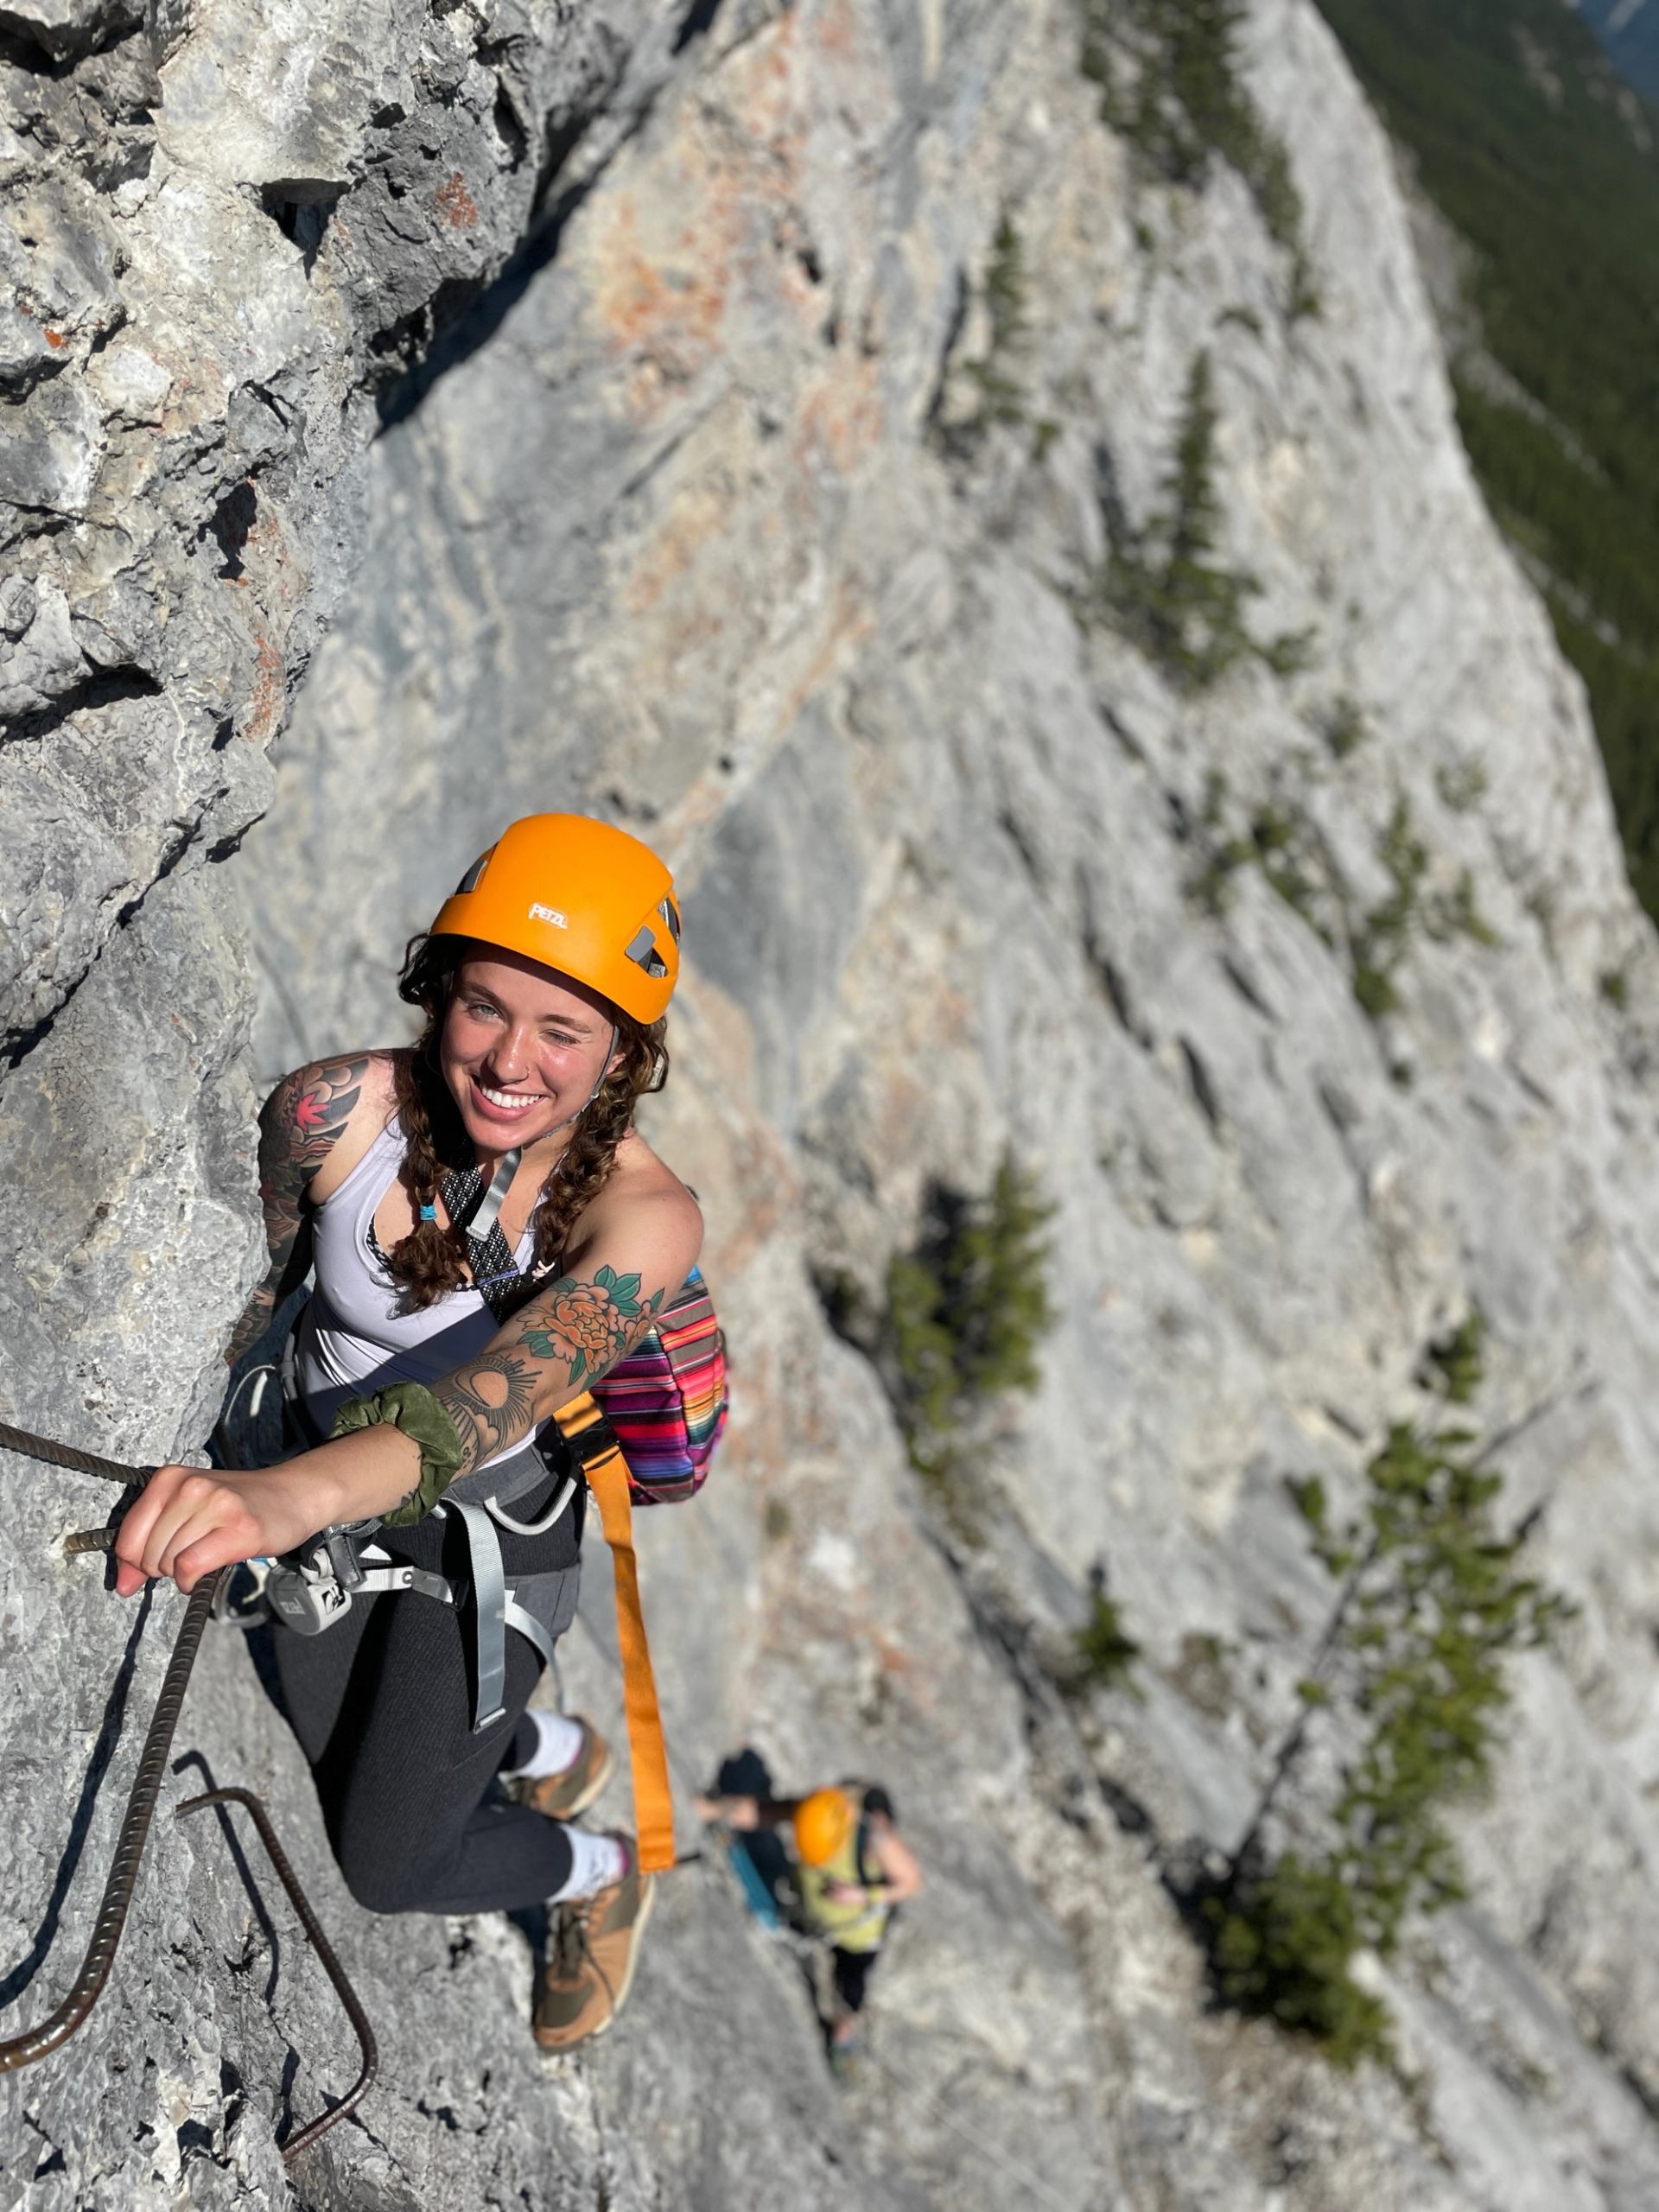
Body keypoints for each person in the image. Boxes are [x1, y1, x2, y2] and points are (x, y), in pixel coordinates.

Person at [111, 813, 703, 2051]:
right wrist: (233, 1454)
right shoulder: (332, 1115)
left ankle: (592, 1867)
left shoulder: (643, 1221)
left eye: (564, 1032)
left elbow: (486, 1407)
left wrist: (284, 1504)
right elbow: (253, 1299)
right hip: (313, 1471)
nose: (508, 1061)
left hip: (473, 1548)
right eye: (485, 1007)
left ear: (624, 1056)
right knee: (330, 1754)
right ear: (438, 991)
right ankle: (543, 1743)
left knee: (386, 1860)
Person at [694, 1778, 924, 2063]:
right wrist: (711, 1809)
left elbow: (912, 1882)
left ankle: (844, 2033)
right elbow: (759, 1812)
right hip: (816, 1915)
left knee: (850, 1986)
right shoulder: (813, 1813)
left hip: (858, 1936)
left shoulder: (875, 1837)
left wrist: (863, 1895)